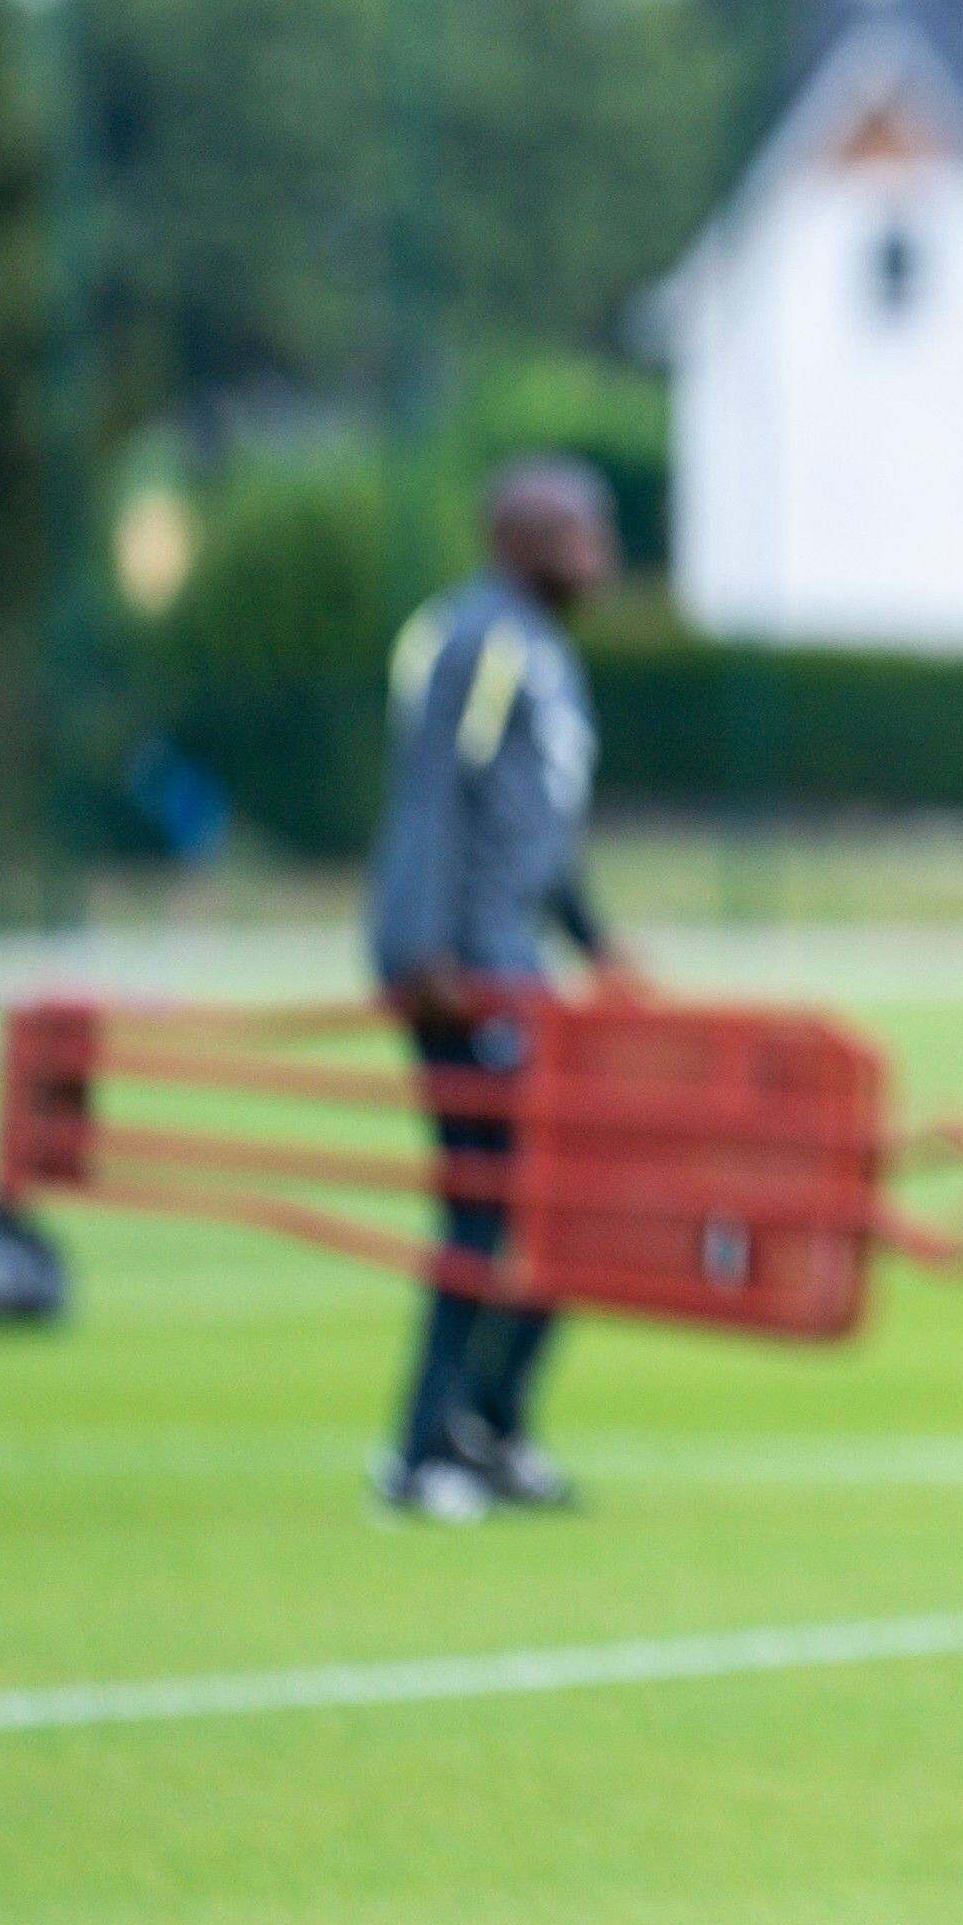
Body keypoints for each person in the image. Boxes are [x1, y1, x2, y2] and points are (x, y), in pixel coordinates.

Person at [362, 457, 632, 1524]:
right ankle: (429, 1446)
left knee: (558, 1199)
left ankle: (492, 1424)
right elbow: (435, 793)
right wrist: (427, 947)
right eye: (577, 537)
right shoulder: (480, 641)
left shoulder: (542, 649)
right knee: (486, 1205)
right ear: (519, 543)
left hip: (510, 953)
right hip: (463, 965)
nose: (598, 559)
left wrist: (597, 943)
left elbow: (537, 827)